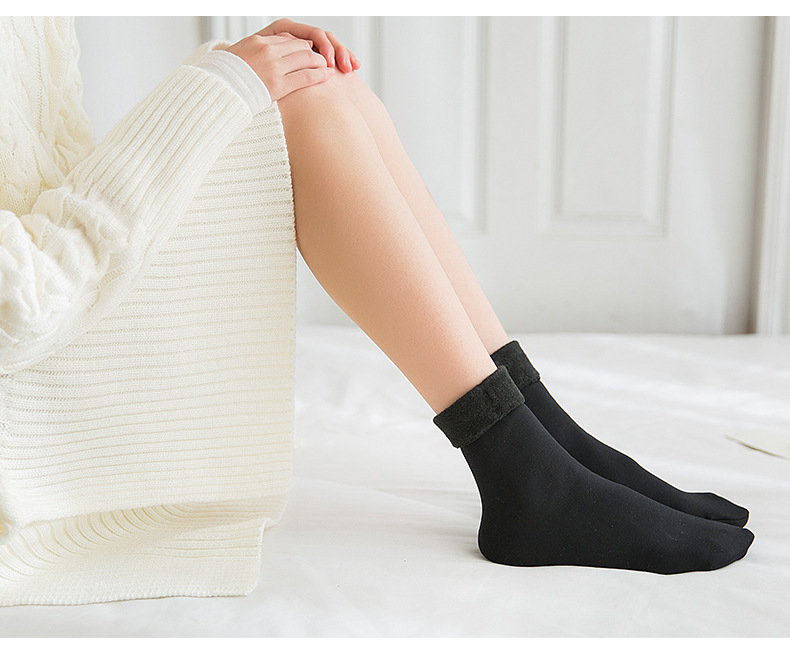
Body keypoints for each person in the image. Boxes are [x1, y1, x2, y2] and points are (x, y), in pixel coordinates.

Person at [0, 17, 752, 603]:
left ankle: (544, 436)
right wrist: (219, 88)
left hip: (63, 304)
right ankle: (522, 466)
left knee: (322, 87)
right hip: (32, 402)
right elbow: (20, 304)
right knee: (298, 110)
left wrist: (235, 78)